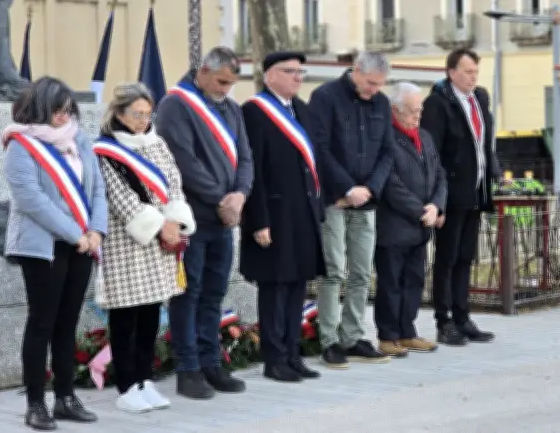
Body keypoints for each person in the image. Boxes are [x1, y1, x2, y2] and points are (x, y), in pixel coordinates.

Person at [2, 76, 107, 430]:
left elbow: (97, 192)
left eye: (67, 110)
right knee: (42, 324)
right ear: (39, 109)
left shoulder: (80, 139)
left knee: (68, 323)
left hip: (82, 244)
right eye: (56, 110)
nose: (63, 116)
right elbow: (32, 200)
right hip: (43, 247)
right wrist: (75, 233)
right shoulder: (21, 145)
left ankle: (65, 397)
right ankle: (35, 403)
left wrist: (96, 231)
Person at [156, 46, 254, 399]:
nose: (225, 89)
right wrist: (220, 199)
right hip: (191, 219)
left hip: (224, 219)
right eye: (221, 81)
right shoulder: (175, 105)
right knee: (188, 293)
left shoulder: (231, 108)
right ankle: (188, 368)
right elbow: (184, 161)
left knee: (214, 292)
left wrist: (240, 195)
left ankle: (212, 362)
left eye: (231, 83)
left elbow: (245, 156)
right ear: (203, 71)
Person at [93, 83, 196, 412]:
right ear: (119, 113)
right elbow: (120, 198)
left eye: (147, 114)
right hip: (128, 242)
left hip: (160, 243)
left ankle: (144, 379)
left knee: (152, 312)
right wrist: (159, 226)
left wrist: (176, 222)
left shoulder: (157, 143)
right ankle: (125, 387)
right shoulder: (107, 150)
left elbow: (174, 184)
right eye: (136, 114)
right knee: (126, 316)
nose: (142, 120)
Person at [240, 51, 325, 382]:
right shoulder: (255, 112)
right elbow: (254, 169)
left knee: (297, 285)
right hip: (273, 214)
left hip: (302, 212)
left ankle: (292, 353)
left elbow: (312, 163)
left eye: (301, 72)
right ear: (268, 75)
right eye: (290, 71)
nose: (297, 77)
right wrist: (258, 219)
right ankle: (274, 359)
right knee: (275, 287)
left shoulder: (301, 110)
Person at [308, 51, 394, 369]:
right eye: (370, 83)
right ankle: (329, 340)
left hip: (367, 200)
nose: (375, 90)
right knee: (332, 271)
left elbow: (388, 150)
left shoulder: (382, 104)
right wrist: (347, 189)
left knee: (360, 273)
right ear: (356, 71)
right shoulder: (325, 97)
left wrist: (369, 189)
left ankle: (353, 336)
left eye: (380, 84)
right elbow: (321, 149)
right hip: (335, 199)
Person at [420, 48, 498, 346]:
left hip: (475, 191)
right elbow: (432, 152)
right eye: (467, 72)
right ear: (451, 72)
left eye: (476, 72)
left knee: (466, 257)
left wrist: (493, 171)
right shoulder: (438, 104)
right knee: (447, 258)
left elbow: (484, 143)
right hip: (450, 194)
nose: (473, 77)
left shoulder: (479, 99)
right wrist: (436, 201)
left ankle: (463, 316)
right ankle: (445, 320)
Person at [374, 82, 447, 357]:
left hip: (421, 227)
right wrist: (422, 210)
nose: (418, 116)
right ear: (395, 110)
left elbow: (439, 173)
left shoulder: (425, 137)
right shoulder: (387, 138)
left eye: (420, 110)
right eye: (412, 111)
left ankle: (407, 331)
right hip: (394, 226)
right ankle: (388, 335)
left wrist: (437, 206)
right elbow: (391, 185)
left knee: (414, 281)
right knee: (391, 284)